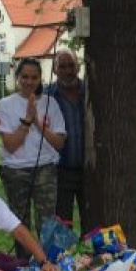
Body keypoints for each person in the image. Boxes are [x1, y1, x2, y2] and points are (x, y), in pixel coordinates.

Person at [0, 58, 66, 251]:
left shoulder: (50, 103)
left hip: (45, 168)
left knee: (47, 222)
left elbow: (59, 143)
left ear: (40, 78)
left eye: (34, 77)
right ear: (17, 77)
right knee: (20, 223)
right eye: (25, 77)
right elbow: (11, 145)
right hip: (15, 170)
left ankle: (47, 261)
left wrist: (37, 122)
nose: (29, 81)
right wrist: (27, 121)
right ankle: (23, 263)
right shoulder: (5, 104)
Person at [44, 49, 87, 227]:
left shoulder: (90, 91)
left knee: (92, 221)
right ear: (54, 70)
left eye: (71, 65)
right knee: (62, 223)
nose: (68, 70)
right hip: (59, 169)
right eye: (62, 66)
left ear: (78, 67)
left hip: (90, 170)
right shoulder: (47, 96)